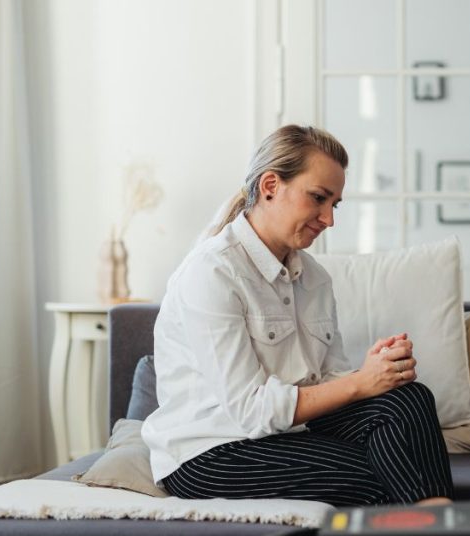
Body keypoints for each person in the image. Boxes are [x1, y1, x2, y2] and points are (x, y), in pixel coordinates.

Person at [141, 125, 454, 507]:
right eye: (318, 198)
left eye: (334, 204)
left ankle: (439, 519)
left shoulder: (315, 279)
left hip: (286, 432)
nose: (329, 219)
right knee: (382, 474)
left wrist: (376, 372)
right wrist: (361, 384)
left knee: (409, 398)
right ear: (271, 186)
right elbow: (250, 410)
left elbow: (328, 380)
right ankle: (440, 520)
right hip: (210, 450)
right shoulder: (212, 273)